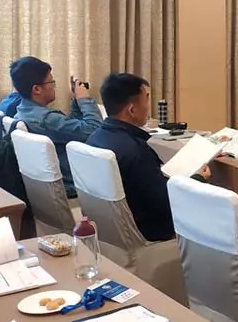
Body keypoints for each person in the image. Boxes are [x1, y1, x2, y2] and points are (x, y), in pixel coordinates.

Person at [86, 73, 210, 242]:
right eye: (146, 99)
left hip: (110, 231)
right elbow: (168, 202)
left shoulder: (95, 138)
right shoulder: (135, 151)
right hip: (152, 233)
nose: (148, 106)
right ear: (132, 110)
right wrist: (198, 179)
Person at [12, 56, 103, 198]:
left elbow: (72, 129)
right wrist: (84, 99)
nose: (54, 86)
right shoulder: (47, 119)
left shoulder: (23, 111)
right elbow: (94, 130)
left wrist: (76, 100)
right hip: (72, 184)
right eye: (51, 82)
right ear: (37, 89)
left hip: (49, 186)